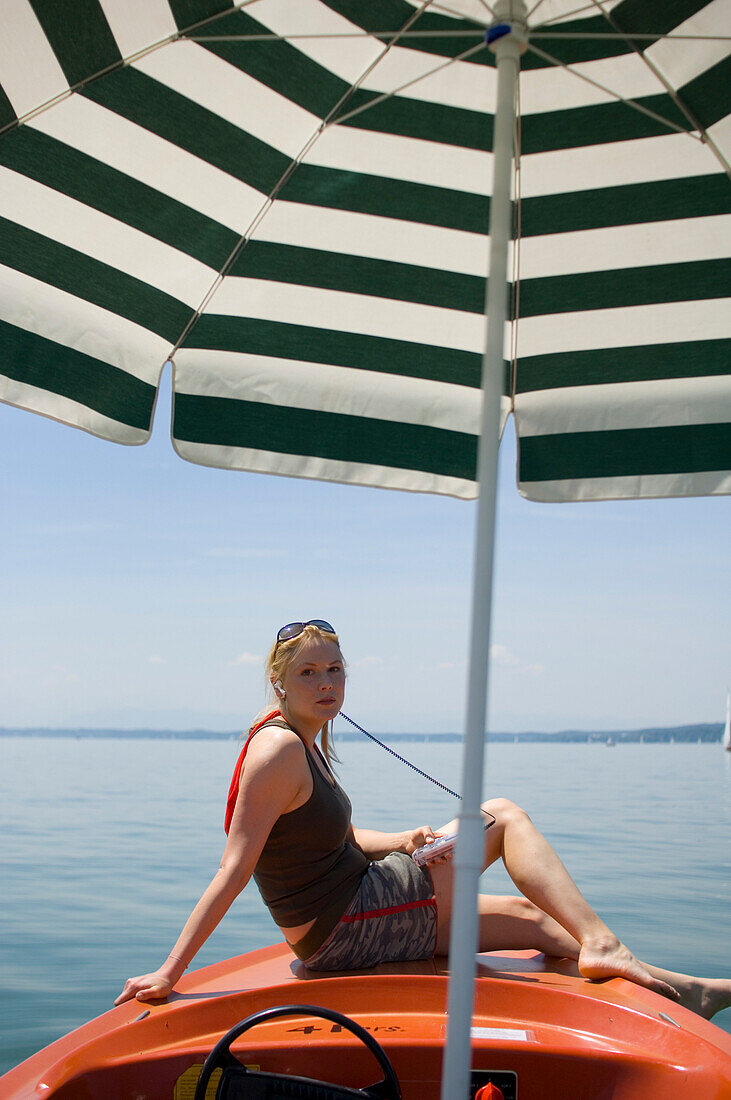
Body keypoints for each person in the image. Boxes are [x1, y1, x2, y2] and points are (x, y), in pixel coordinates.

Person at [115, 621, 731, 1020]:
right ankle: (603, 944)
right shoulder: (278, 749)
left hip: (353, 906)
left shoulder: (301, 739)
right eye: (309, 673)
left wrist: (401, 841)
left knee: (536, 921)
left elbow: (327, 838)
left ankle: (684, 990)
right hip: (344, 925)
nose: (326, 683)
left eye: (335, 670)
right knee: (505, 816)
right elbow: (234, 866)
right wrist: (171, 973)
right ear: (278, 682)